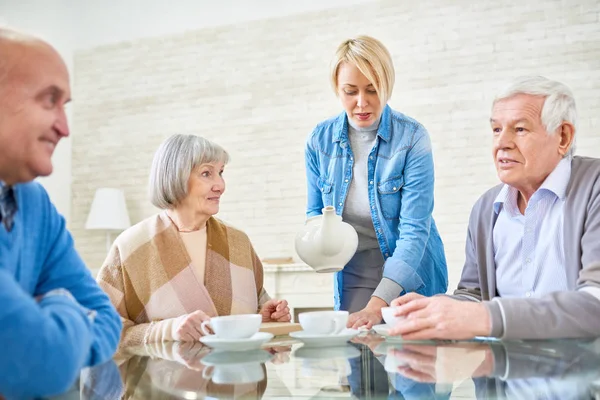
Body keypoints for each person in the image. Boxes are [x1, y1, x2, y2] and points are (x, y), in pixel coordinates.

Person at [390, 76, 600, 340]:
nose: (502, 143)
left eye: (520, 129)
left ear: (563, 136)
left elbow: (595, 303)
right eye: (497, 130)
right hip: (506, 374)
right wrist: (431, 310)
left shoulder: (595, 189)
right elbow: (475, 295)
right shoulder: (486, 208)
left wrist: (489, 317)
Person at [0, 28, 121, 398]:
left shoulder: (36, 205)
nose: (64, 128)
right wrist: (62, 306)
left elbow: (107, 319)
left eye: (65, 105)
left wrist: (46, 327)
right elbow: (42, 362)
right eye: (49, 100)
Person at [304, 35, 448, 328]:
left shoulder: (412, 139)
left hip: (411, 274)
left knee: (413, 368)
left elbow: (414, 231)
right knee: (359, 367)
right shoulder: (319, 141)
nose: (361, 102)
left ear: (387, 84)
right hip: (354, 274)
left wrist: (378, 305)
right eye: (350, 91)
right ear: (337, 88)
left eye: (372, 89)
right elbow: (315, 215)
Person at [97, 134, 291, 346]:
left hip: (238, 376)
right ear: (175, 177)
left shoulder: (238, 242)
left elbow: (256, 305)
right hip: (159, 378)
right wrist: (165, 330)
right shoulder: (131, 247)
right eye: (207, 173)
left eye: (221, 173)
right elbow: (101, 328)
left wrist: (263, 317)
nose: (220, 185)